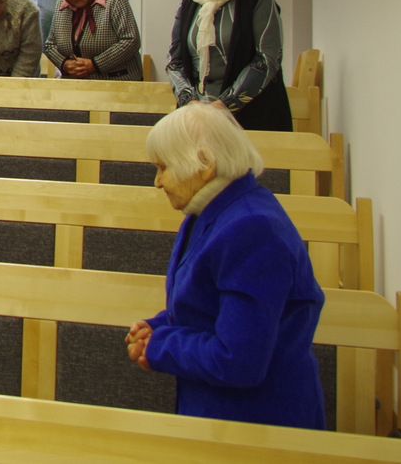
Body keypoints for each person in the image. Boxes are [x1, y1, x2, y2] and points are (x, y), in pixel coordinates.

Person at [124, 101, 326, 428]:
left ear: (204, 164)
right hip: (222, 415)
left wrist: (159, 346)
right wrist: (158, 327)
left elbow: (238, 361)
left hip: (257, 425)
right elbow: (207, 308)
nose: (157, 182)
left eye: (163, 167)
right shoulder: (212, 210)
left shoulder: (252, 228)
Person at [165, 0, 289, 130]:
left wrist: (223, 105)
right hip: (196, 116)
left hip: (251, 115)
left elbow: (266, 59)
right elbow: (174, 60)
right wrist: (190, 102)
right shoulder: (190, 0)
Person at [43, 0, 143, 81]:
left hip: (118, 81)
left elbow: (131, 40)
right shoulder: (62, 5)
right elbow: (50, 45)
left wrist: (95, 64)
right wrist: (65, 64)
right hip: (76, 84)